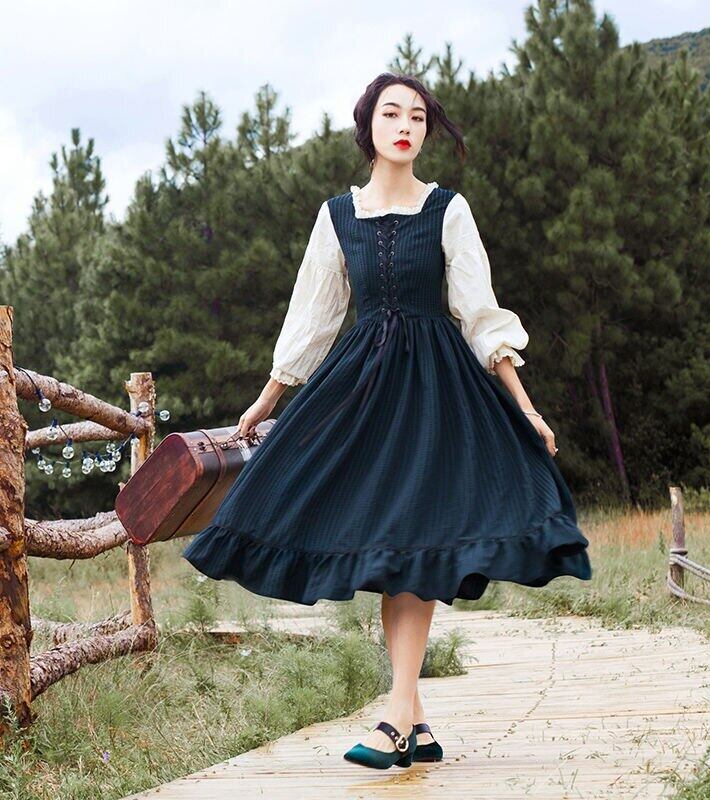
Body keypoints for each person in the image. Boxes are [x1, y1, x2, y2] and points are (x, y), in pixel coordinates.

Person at [182, 72, 592, 770]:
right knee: (392, 551)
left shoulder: (448, 210)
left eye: (418, 117)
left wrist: (525, 407)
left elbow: (479, 313)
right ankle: (415, 721)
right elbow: (313, 316)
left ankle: (397, 715)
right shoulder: (337, 216)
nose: (405, 126)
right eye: (392, 114)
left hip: (436, 396)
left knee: (411, 547)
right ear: (368, 126)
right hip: (363, 396)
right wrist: (267, 399)